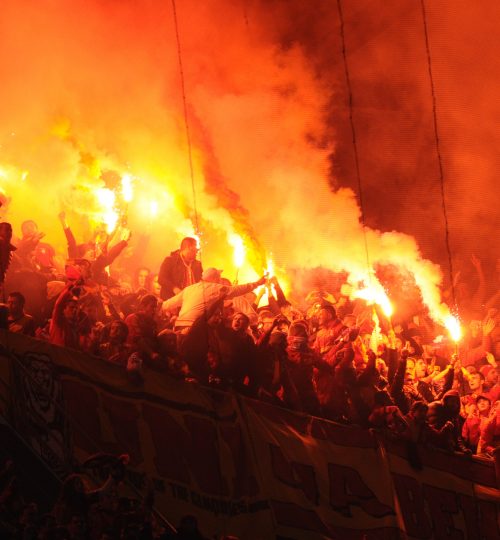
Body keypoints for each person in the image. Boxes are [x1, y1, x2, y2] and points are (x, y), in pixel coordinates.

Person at [162, 268, 266, 334]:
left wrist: (159, 306)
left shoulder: (189, 289)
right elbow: (237, 289)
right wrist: (257, 283)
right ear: (216, 279)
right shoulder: (215, 288)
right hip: (195, 328)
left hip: (179, 327)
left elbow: (167, 304)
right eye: (220, 279)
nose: (221, 282)